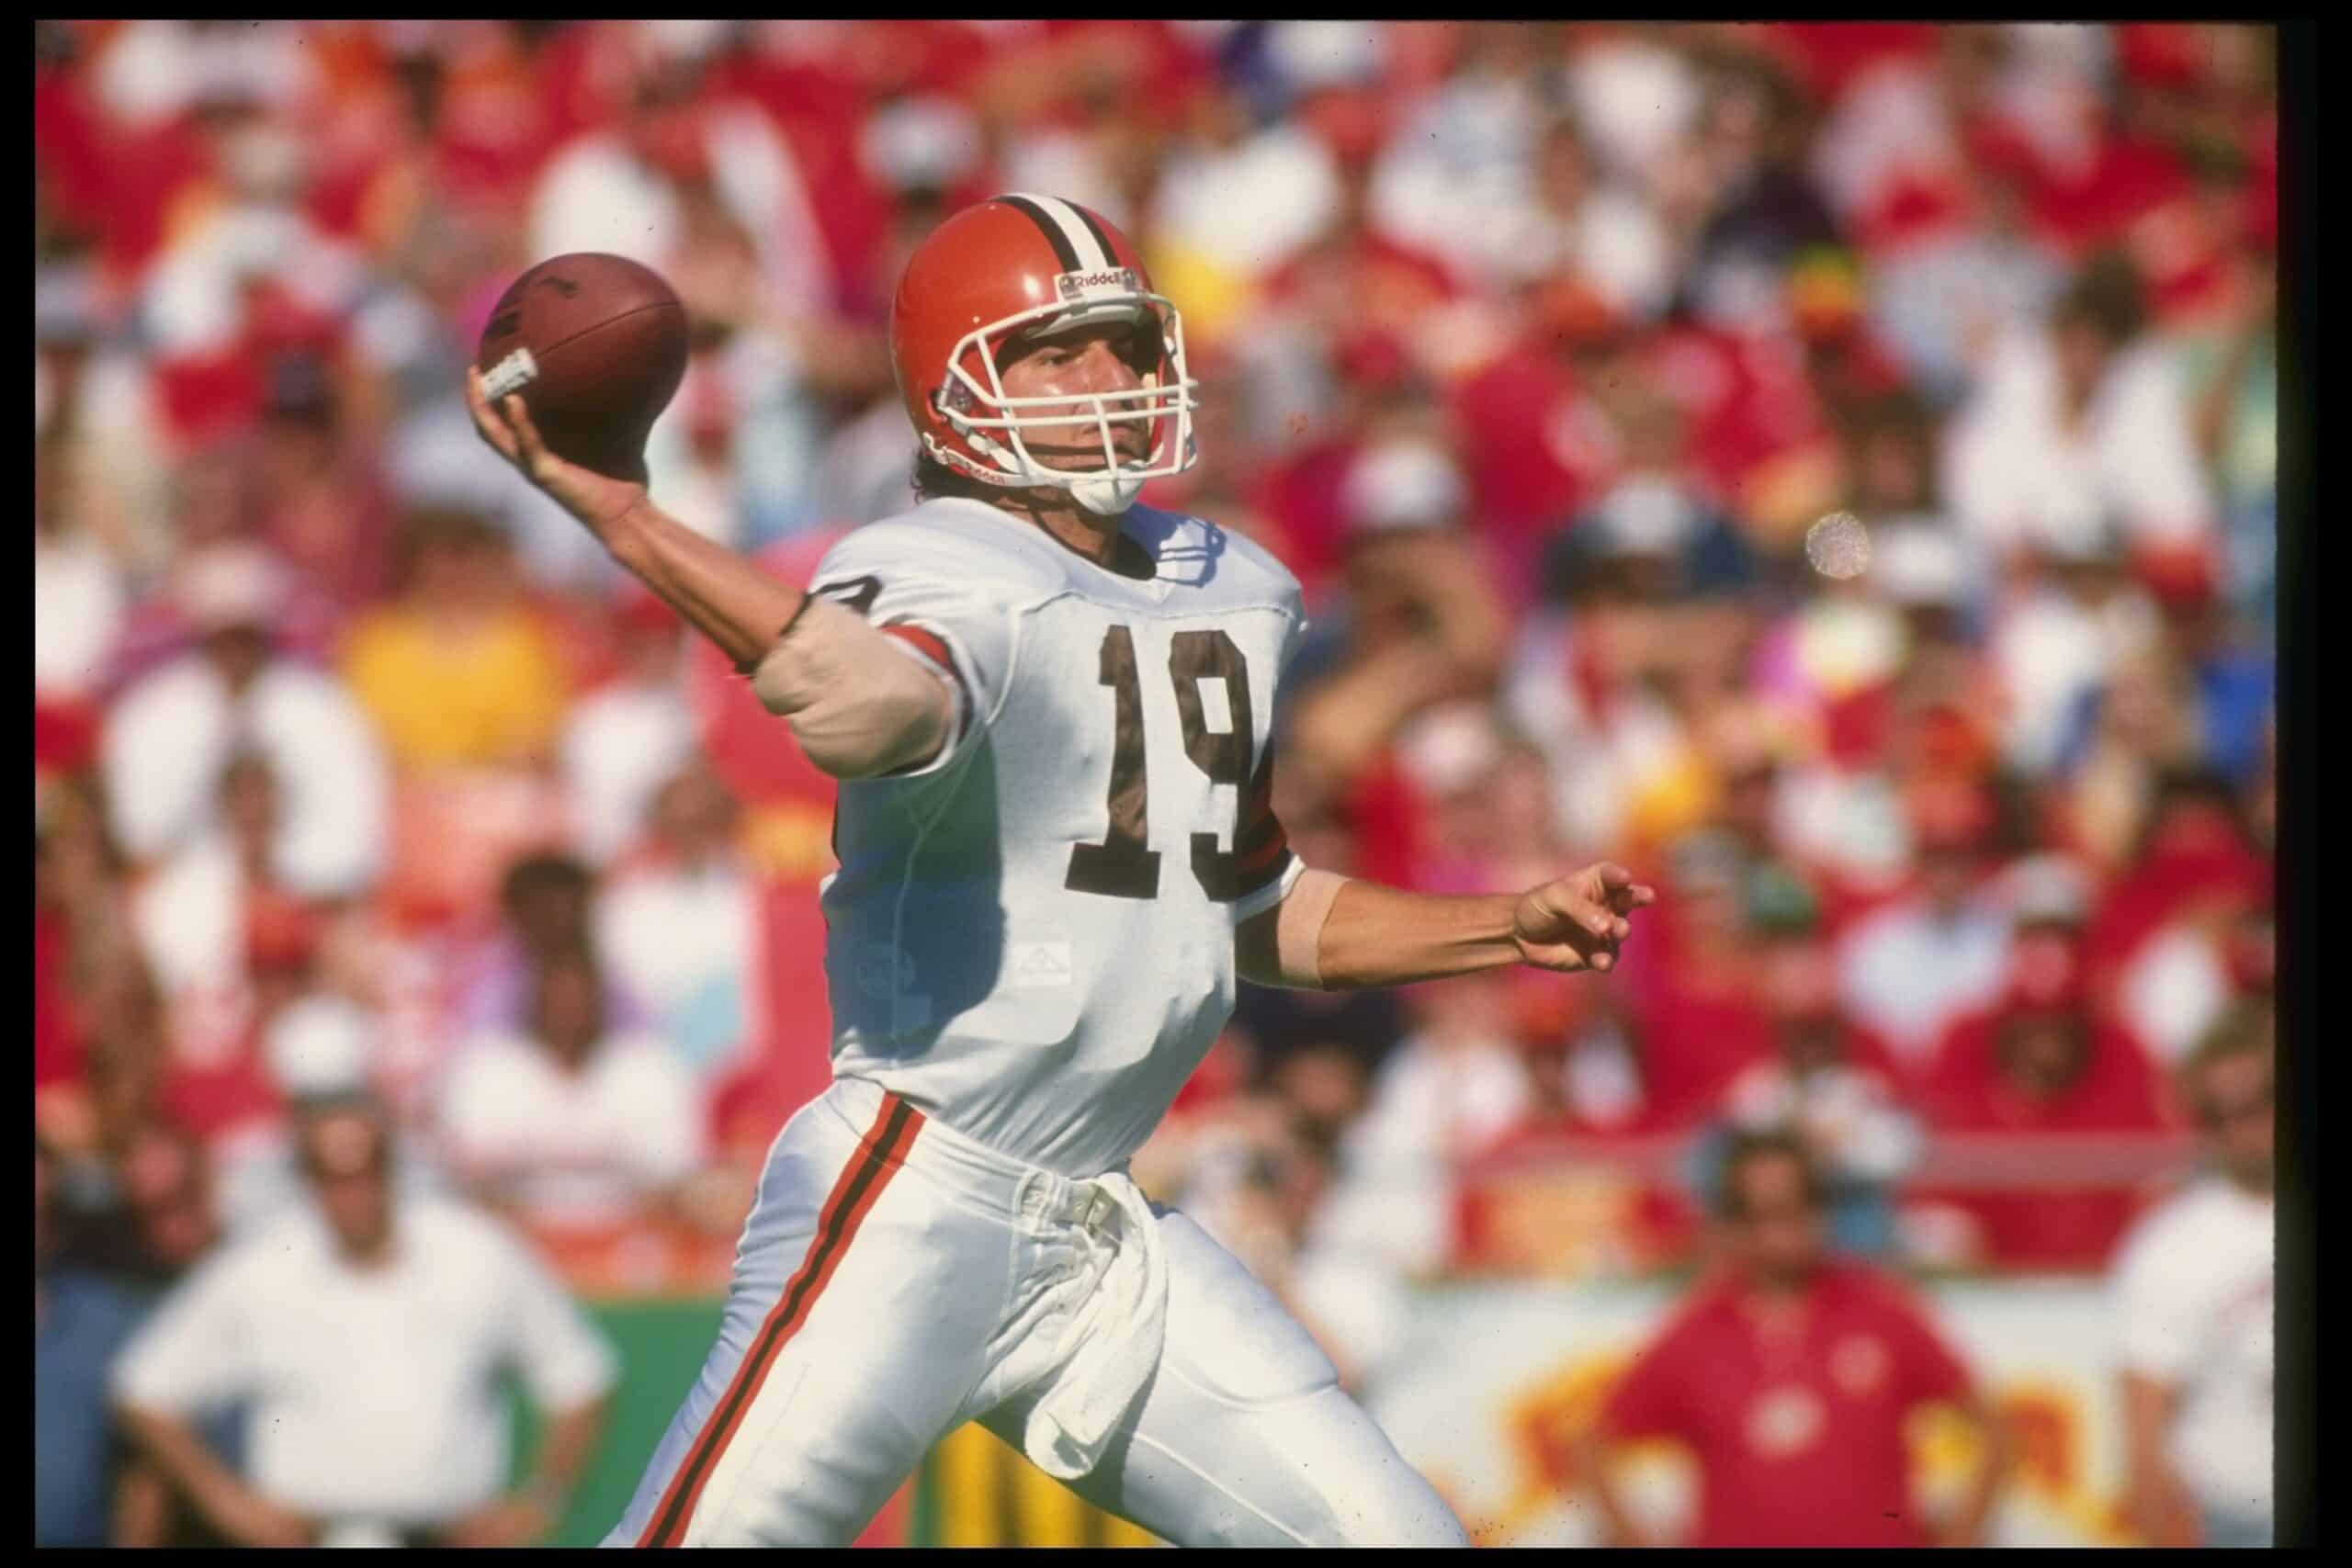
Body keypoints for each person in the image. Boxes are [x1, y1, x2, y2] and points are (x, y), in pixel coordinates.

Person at [465, 190, 1655, 1548]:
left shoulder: (1228, 582)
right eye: (1060, 351)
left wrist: (1501, 922)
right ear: (956, 385)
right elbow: (872, 709)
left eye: (1126, 345)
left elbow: (1246, 906)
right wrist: (630, 522)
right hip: (915, 1192)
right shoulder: (938, 561)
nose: (1116, 380)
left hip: (1102, 1226)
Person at [110, 1097, 616, 1549]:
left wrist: (541, 1499)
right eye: (329, 1174)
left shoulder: (474, 1253)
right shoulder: (263, 1267)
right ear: (308, 1181)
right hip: (311, 1533)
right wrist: (226, 1501)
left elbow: (578, 1373)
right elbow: (146, 1388)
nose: (352, 1192)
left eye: (366, 1168)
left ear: (391, 1170)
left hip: (445, 1535)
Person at [1578, 1130, 2007, 1548]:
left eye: (1799, 1204)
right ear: (1734, 1224)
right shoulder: (1696, 1334)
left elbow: (1994, 1429)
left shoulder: (1881, 1313)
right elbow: (1592, 1448)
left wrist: (1961, 1535)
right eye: (1763, 1211)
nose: (1785, 1226)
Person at [2109, 1002, 2274, 1548]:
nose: (2256, 1120)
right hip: (2239, 1521)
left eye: (2268, 1095)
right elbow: (2145, 1435)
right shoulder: (2171, 1248)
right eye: (2230, 1108)